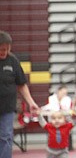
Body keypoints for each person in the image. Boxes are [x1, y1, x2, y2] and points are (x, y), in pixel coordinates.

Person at [0, 30, 39, 158]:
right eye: (1, 49)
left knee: (6, 137)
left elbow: (21, 84)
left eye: (6, 49)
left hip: (7, 108)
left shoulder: (13, 61)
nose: (3, 52)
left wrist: (31, 102)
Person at [42, 85, 74, 150]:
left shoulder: (68, 99)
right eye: (63, 92)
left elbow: (68, 108)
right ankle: (51, 145)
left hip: (64, 119)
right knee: (51, 132)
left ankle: (68, 146)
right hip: (53, 118)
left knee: (67, 129)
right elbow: (49, 107)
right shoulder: (51, 98)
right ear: (58, 91)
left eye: (65, 93)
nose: (64, 94)